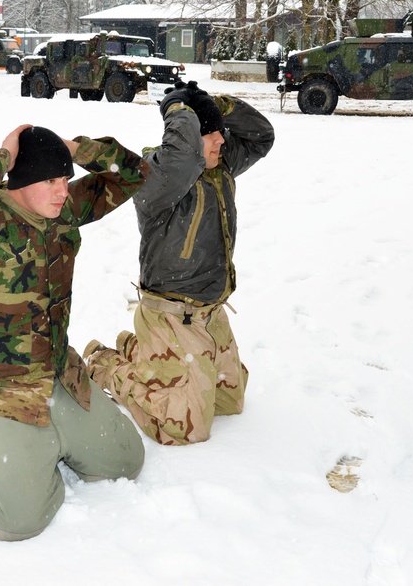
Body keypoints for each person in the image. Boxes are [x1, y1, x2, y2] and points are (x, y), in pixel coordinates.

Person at [0, 124, 148, 541]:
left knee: (125, 462)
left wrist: (76, 149)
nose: (63, 190)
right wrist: (4, 155)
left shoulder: (62, 211)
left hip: (57, 373)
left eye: (65, 179)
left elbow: (134, 173)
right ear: (22, 180)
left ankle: (48, 443)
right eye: (50, 180)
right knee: (16, 523)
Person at [85, 81, 275, 446]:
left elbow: (261, 136)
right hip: (173, 316)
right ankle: (106, 365)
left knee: (230, 403)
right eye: (210, 135)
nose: (221, 141)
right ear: (190, 138)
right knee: (186, 429)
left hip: (210, 312)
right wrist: (177, 108)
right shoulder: (156, 177)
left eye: (221, 133)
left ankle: (145, 353)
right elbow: (184, 157)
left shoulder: (219, 166)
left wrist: (218, 106)